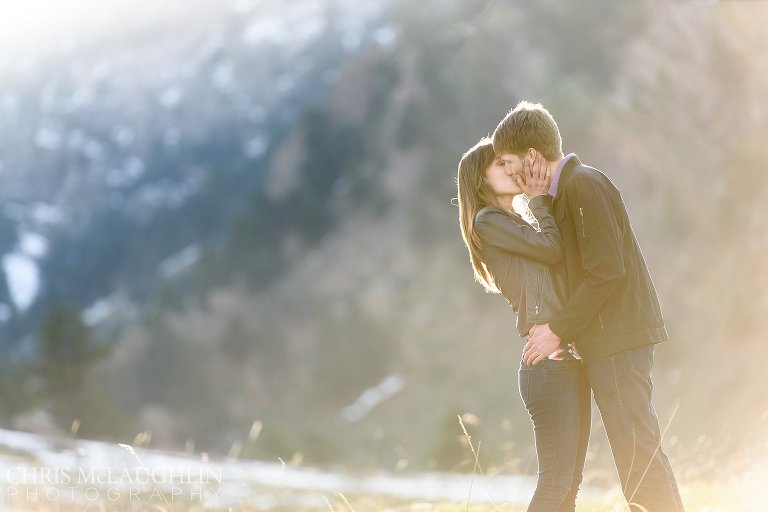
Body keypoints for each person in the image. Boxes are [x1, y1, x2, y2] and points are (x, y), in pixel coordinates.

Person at [492, 101, 685, 511]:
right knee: (634, 454)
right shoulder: (563, 195)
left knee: (638, 454)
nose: (509, 174)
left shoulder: (583, 185)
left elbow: (606, 272)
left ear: (531, 156)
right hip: (606, 341)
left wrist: (556, 329)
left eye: (509, 163)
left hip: (618, 339)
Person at [456, 137, 591, 511]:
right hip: (546, 369)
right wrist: (538, 199)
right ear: (480, 181)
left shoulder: (513, 221)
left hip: (564, 358)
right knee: (555, 484)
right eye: (500, 165)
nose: (511, 169)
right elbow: (552, 248)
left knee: (569, 487)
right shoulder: (489, 221)